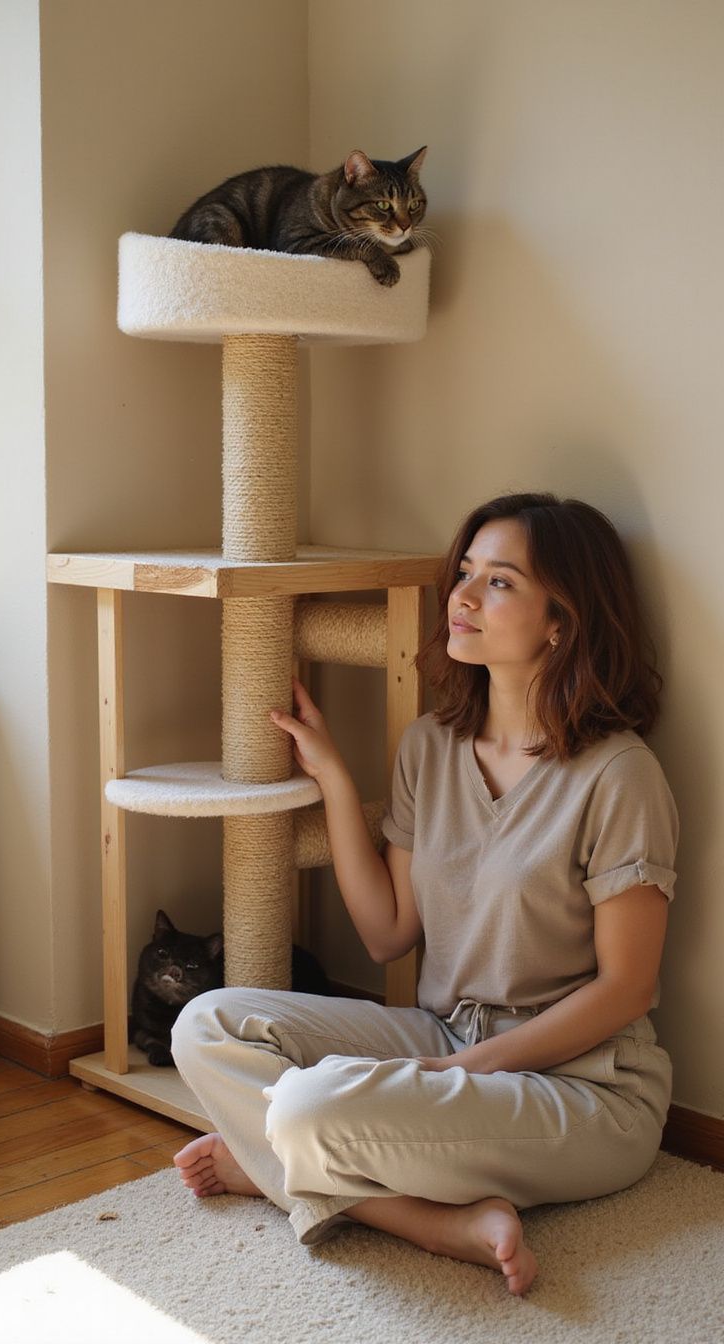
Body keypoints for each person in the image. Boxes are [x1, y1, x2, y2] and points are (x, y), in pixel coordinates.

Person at [171, 491, 678, 1297]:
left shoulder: (620, 774)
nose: (464, 598)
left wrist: (464, 1073)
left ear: (563, 620)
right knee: (205, 1023)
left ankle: (275, 1163)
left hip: (584, 1087)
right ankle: (438, 1224)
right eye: (465, 572)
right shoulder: (429, 746)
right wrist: (335, 778)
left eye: (501, 581)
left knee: (306, 1109)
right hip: (445, 1037)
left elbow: (629, 987)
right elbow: (386, 934)